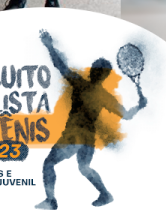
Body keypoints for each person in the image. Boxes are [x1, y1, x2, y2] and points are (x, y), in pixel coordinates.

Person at [37, 30, 147, 209]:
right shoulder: (105, 96)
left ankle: (51, 201)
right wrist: (140, 106)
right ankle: (105, 194)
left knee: (49, 163)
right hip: (88, 139)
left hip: (74, 136)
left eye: (95, 68)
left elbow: (60, 65)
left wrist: (49, 45)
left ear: (94, 72)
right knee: (84, 168)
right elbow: (126, 115)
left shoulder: (80, 83)